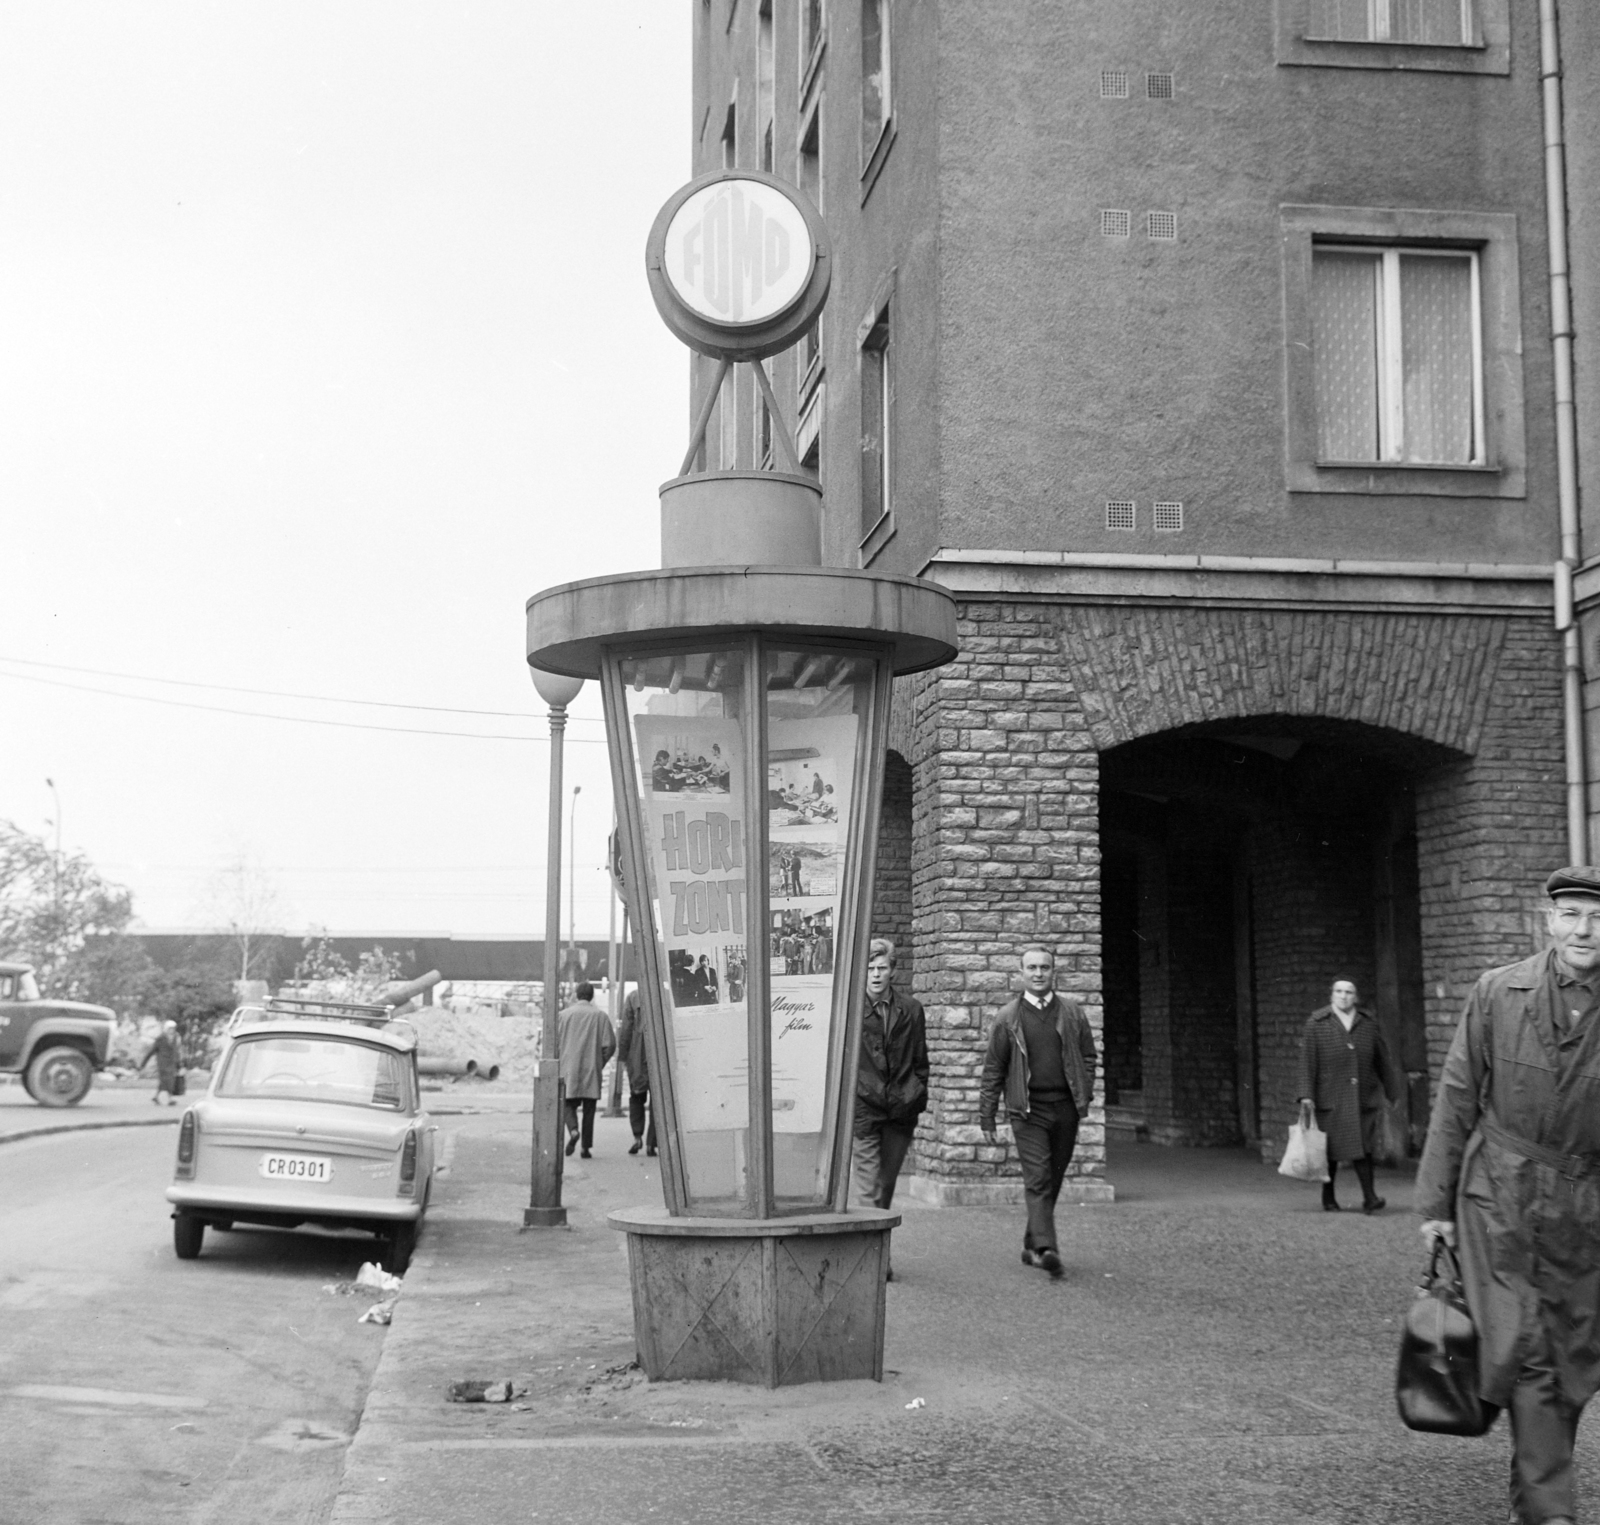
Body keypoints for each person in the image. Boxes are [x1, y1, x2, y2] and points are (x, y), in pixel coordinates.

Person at [1416, 866, 1600, 1525]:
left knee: (1574, 1350)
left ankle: (1536, 1490)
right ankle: (1551, 1507)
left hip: (1585, 1209)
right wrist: (1435, 1206)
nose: (1584, 929)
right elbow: (1457, 1096)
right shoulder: (1499, 991)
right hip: (1498, 1194)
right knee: (1529, 1345)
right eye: (1572, 914)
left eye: (1596, 917)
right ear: (1548, 920)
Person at [979, 946, 1097, 1280]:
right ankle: (1047, 1249)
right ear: (1021, 973)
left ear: (1053, 971)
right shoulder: (1007, 1018)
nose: (1038, 973)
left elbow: (1088, 1056)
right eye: (1032, 967)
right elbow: (993, 1070)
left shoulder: (1072, 1013)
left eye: (1045, 967)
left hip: (1066, 1109)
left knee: (1053, 1177)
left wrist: (1084, 1089)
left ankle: (1032, 1242)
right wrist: (987, 1116)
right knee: (1039, 1177)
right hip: (1027, 1111)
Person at [1297, 978, 1401, 1213]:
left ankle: (1370, 1197)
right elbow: (1307, 1062)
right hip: (1330, 1097)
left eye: (1349, 992)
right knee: (1330, 1151)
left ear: (1356, 997)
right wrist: (1306, 1094)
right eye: (1339, 991)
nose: (1344, 996)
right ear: (1331, 995)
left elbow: (1382, 1059)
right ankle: (1328, 1196)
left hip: (1362, 1098)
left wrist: (1392, 1091)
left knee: (1363, 1147)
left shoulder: (1367, 1023)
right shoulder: (1317, 1023)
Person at [852, 939, 929, 1243]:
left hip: (901, 1108)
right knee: (868, 1186)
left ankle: (876, 1249)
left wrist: (917, 1091)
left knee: (885, 1186)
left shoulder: (911, 1009)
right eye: (869, 968)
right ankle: (873, 1259)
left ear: (892, 971)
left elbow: (921, 1058)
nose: (875, 974)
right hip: (864, 1107)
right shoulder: (850, 1009)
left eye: (881, 968)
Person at [558, 981, 615, 1159]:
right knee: (589, 1110)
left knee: (567, 1104)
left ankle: (573, 1130)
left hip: (569, 1070)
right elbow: (610, 1045)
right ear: (592, 996)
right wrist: (600, 1061)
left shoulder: (563, 1015)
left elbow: (554, 1043)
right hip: (591, 1069)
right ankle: (585, 1148)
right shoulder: (601, 1016)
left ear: (576, 994)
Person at [615, 986, 657, 1157]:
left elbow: (626, 1030)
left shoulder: (633, 997)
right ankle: (651, 1144)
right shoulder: (663, 994)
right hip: (658, 1055)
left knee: (636, 1097)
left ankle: (637, 1137)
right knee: (658, 1103)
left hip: (637, 1055)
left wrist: (623, 1057)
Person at [138, 1019, 182, 1106]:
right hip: (163, 1063)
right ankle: (170, 1099)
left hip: (171, 1063)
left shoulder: (176, 1038)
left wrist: (179, 1063)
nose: (172, 1030)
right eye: (170, 1028)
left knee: (165, 1081)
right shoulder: (160, 1039)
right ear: (166, 1029)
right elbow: (151, 1051)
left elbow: (176, 1051)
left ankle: (156, 1097)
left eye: (173, 1028)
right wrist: (143, 1064)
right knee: (168, 1080)